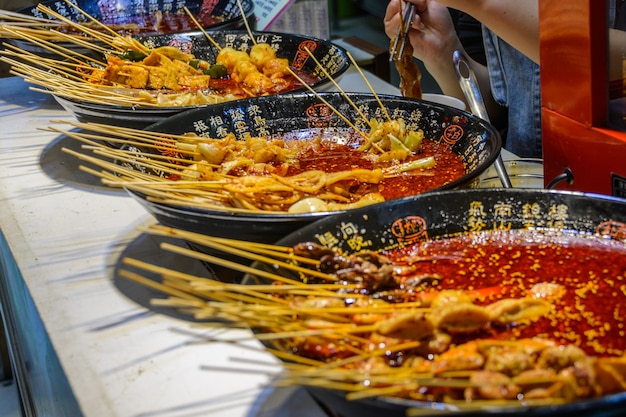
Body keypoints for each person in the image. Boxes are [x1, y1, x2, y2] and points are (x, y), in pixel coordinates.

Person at [384, 0, 542, 158]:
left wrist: (482, 5)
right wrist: (443, 51)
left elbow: (565, 58)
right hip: (521, 171)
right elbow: (498, 111)